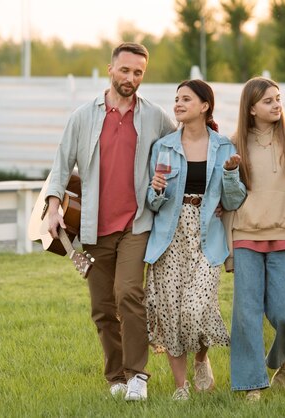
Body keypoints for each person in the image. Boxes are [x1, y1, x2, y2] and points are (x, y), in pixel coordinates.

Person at [44, 42, 176, 402]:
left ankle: (138, 376)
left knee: (128, 293)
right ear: (110, 69)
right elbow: (61, 165)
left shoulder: (156, 117)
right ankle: (116, 377)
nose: (131, 78)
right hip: (93, 227)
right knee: (102, 307)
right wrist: (54, 206)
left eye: (138, 73)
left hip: (136, 223)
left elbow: (180, 146)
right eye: (125, 70)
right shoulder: (83, 116)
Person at [144, 79, 246, 401]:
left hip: (206, 235)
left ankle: (202, 358)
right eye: (176, 99)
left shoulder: (225, 148)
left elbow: (233, 201)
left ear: (204, 106)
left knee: (194, 308)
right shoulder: (163, 147)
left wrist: (230, 174)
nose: (178, 104)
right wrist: (157, 189)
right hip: (168, 237)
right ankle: (181, 387)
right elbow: (152, 202)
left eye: (186, 99)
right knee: (170, 310)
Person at [225, 77, 285, 402]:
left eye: (278, 99)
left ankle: (283, 357)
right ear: (251, 108)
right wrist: (229, 251)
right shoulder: (235, 143)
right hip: (245, 237)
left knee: (283, 313)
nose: (277, 105)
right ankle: (252, 384)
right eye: (268, 101)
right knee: (246, 313)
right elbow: (228, 201)